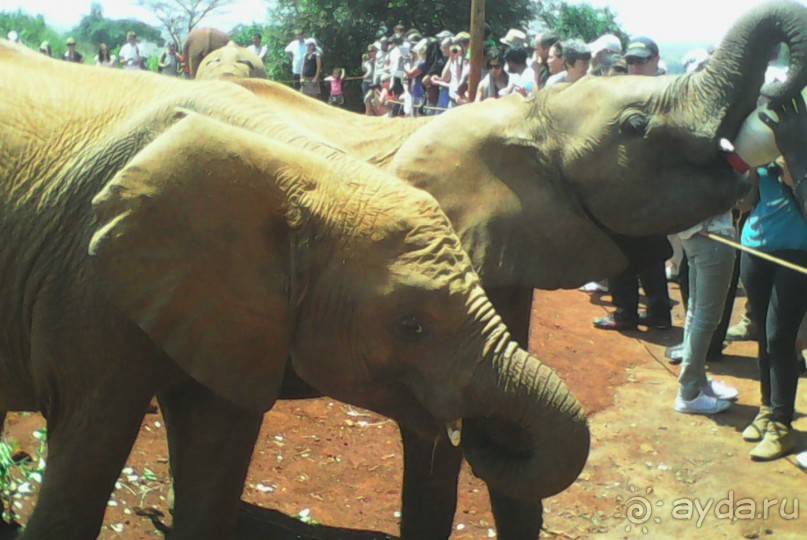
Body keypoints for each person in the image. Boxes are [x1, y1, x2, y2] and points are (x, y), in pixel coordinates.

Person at [739, 95, 807, 461]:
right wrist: (748, 169)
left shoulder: (801, 149)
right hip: (755, 247)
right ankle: (767, 410)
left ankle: (782, 425)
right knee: (763, 337)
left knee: (781, 338)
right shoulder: (762, 147)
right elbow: (748, 203)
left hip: (797, 254)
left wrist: (792, 166)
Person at [594, 36, 672, 332]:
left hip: (654, 186)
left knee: (649, 251)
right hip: (622, 185)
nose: (636, 67)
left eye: (641, 61)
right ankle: (630, 310)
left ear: (655, 60)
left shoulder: (669, 93)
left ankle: (648, 312)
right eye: (632, 61)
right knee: (624, 249)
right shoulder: (621, 93)